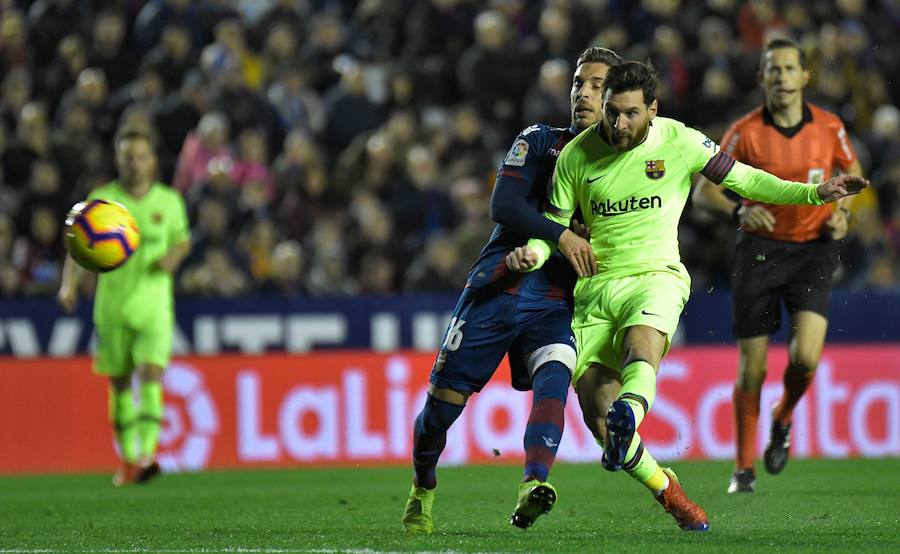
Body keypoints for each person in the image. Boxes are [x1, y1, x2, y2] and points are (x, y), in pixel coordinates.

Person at [506, 60, 867, 531]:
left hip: (656, 276)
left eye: (631, 114)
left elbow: (747, 179)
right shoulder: (576, 155)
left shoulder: (680, 140)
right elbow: (552, 228)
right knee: (597, 412)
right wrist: (533, 254)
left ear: (653, 109)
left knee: (642, 345)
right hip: (594, 289)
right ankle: (669, 491)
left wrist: (815, 194)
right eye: (612, 113)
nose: (619, 125)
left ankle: (628, 416)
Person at [401, 47, 623, 534]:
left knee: (554, 380)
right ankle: (423, 485)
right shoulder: (540, 140)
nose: (583, 93)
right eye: (578, 83)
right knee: (440, 413)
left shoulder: (625, 167)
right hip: (500, 283)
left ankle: (533, 484)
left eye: (597, 85)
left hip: (553, 298)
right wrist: (559, 235)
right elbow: (504, 205)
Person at [691, 39, 863, 493]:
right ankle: (743, 469)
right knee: (753, 368)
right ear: (762, 78)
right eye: (774, 69)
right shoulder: (744, 131)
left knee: (806, 356)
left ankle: (783, 417)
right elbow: (703, 191)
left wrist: (844, 213)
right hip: (760, 251)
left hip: (813, 250)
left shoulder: (829, 127)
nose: (782, 77)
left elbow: (852, 179)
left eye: (790, 69)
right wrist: (738, 211)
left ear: (805, 76)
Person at [57, 128, 191, 486]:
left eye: (141, 156)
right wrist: (69, 283)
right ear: (118, 158)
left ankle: (147, 455)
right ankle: (128, 459)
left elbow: (182, 241)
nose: (135, 162)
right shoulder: (101, 201)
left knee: (151, 375)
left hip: (154, 306)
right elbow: (77, 245)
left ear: (152, 160)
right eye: (128, 155)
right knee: (118, 386)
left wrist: (173, 260)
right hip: (113, 307)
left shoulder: (169, 201)